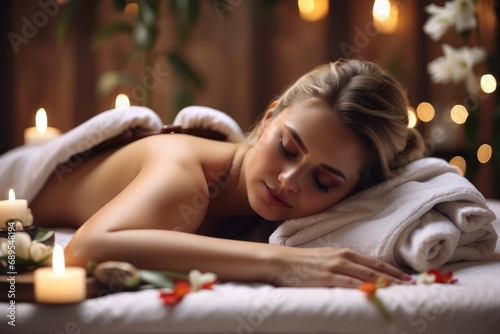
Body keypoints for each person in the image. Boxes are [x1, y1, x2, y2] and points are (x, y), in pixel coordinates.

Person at [30, 58, 426, 288]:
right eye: (287, 148)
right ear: (270, 118)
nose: (289, 181)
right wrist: (281, 263)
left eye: (323, 182)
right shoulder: (185, 179)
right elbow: (87, 249)